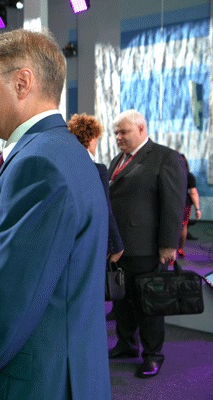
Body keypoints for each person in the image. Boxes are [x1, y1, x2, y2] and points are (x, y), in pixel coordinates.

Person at [0, 29, 111, 399]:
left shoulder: (38, 163)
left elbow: (9, 299)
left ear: (22, 83)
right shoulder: (66, 151)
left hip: (33, 380)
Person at [107, 109, 186, 378]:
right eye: (116, 132)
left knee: (148, 304)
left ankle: (153, 354)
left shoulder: (165, 157)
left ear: (141, 128)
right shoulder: (118, 160)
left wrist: (168, 244)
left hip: (148, 248)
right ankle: (127, 344)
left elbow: (173, 204)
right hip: (120, 248)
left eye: (124, 131)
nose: (118, 137)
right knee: (122, 301)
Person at [68, 113, 124, 261]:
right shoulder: (98, 170)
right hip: (91, 241)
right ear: (92, 138)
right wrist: (116, 244)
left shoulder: (65, 165)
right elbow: (105, 208)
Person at [177, 154, 201, 257]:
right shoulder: (188, 175)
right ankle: (180, 249)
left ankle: (169, 252)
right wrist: (197, 209)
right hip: (184, 204)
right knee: (183, 226)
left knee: (169, 226)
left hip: (170, 203)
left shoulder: (167, 174)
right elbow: (193, 193)